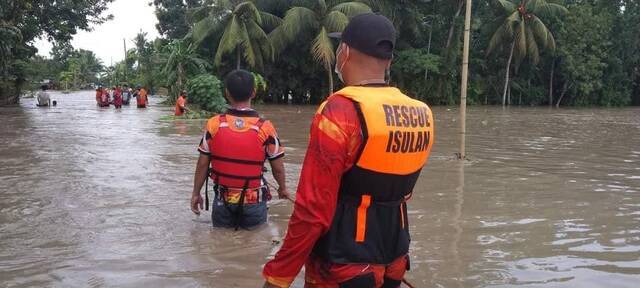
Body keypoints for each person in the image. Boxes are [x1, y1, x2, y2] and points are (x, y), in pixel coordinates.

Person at [262, 13, 434, 287]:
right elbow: (398, 190)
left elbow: (312, 212)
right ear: (389, 59)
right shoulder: (421, 113)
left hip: (343, 266)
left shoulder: (339, 111)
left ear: (345, 51)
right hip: (395, 260)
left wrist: (278, 277)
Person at [190, 69, 290, 230]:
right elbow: (278, 168)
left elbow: (202, 164)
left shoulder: (214, 124)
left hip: (223, 201)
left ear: (227, 93)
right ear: (254, 93)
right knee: (255, 248)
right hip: (254, 202)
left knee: (220, 247)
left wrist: (196, 193)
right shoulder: (265, 128)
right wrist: (283, 188)